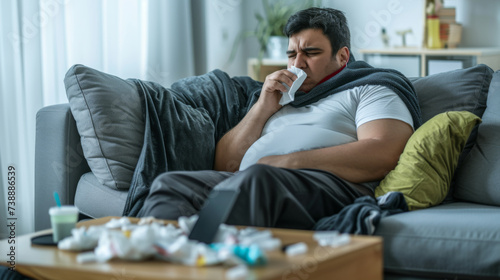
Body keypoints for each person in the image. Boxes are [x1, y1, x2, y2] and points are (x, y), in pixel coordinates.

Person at [138, 7, 418, 230]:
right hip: (255, 180)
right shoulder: (279, 98)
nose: (297, 64)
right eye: (291, 54)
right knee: (170, 184)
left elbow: (384, 151)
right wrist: (262, 107)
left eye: (311, 53)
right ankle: (158, 266)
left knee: (259, 179)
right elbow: (226, 165)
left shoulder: (371, 88)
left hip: (335, 186)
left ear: (342, 56)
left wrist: (288, 163)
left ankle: (203, 261)